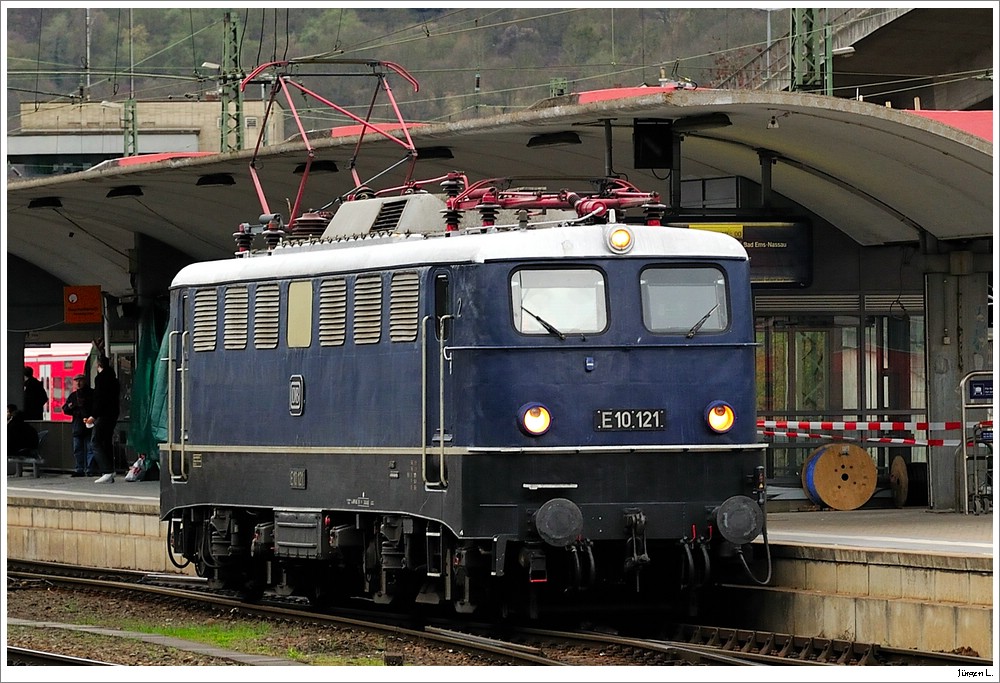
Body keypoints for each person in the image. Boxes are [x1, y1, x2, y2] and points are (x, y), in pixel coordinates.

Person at [87, 355, 120, 484]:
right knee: (106, 442)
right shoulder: (114, 379)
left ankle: (106, 470)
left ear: (98, 365)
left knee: (95, 442)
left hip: (103, 415)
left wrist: (93, 415)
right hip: (113, 414)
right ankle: (110, 470)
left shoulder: (100, 379)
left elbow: (100, 399)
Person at [63, 374, 96, 477]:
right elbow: (65, 409)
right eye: (76, 381)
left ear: (84, 381)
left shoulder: (77, 395)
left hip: (83, 425)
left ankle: (83, 468)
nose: (78, 383)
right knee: (81, 448)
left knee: (85, 448)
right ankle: (85, 469)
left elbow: (66, 409)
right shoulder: (76, 395)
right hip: (81, 425)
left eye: (80, 380)